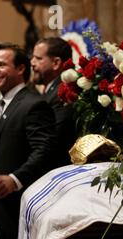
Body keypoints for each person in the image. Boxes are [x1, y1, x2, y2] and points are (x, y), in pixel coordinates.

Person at [0, 42, 56, 239]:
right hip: (1, 210)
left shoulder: (34, 105)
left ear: (20, 69)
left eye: (2, 64)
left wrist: (15, 179)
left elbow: (44, 151)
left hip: (25, 207)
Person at [31, 37, 76, 168]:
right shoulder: (51, 90)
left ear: (56, 63)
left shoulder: (62, 93)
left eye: (38, 59)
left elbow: (52, 140)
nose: (32, 63)